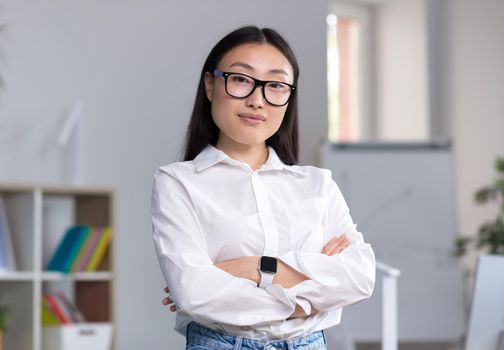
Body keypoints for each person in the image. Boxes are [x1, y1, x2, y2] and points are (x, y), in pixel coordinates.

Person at [150, 25, 375, 350]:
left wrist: (255, 268)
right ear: (210, 85)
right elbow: (195, 294)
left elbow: (359, 277)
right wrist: (310, 294)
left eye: (275, 85)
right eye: (241, 79)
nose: (258, 100)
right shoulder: (178, 183)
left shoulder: (317, 185)